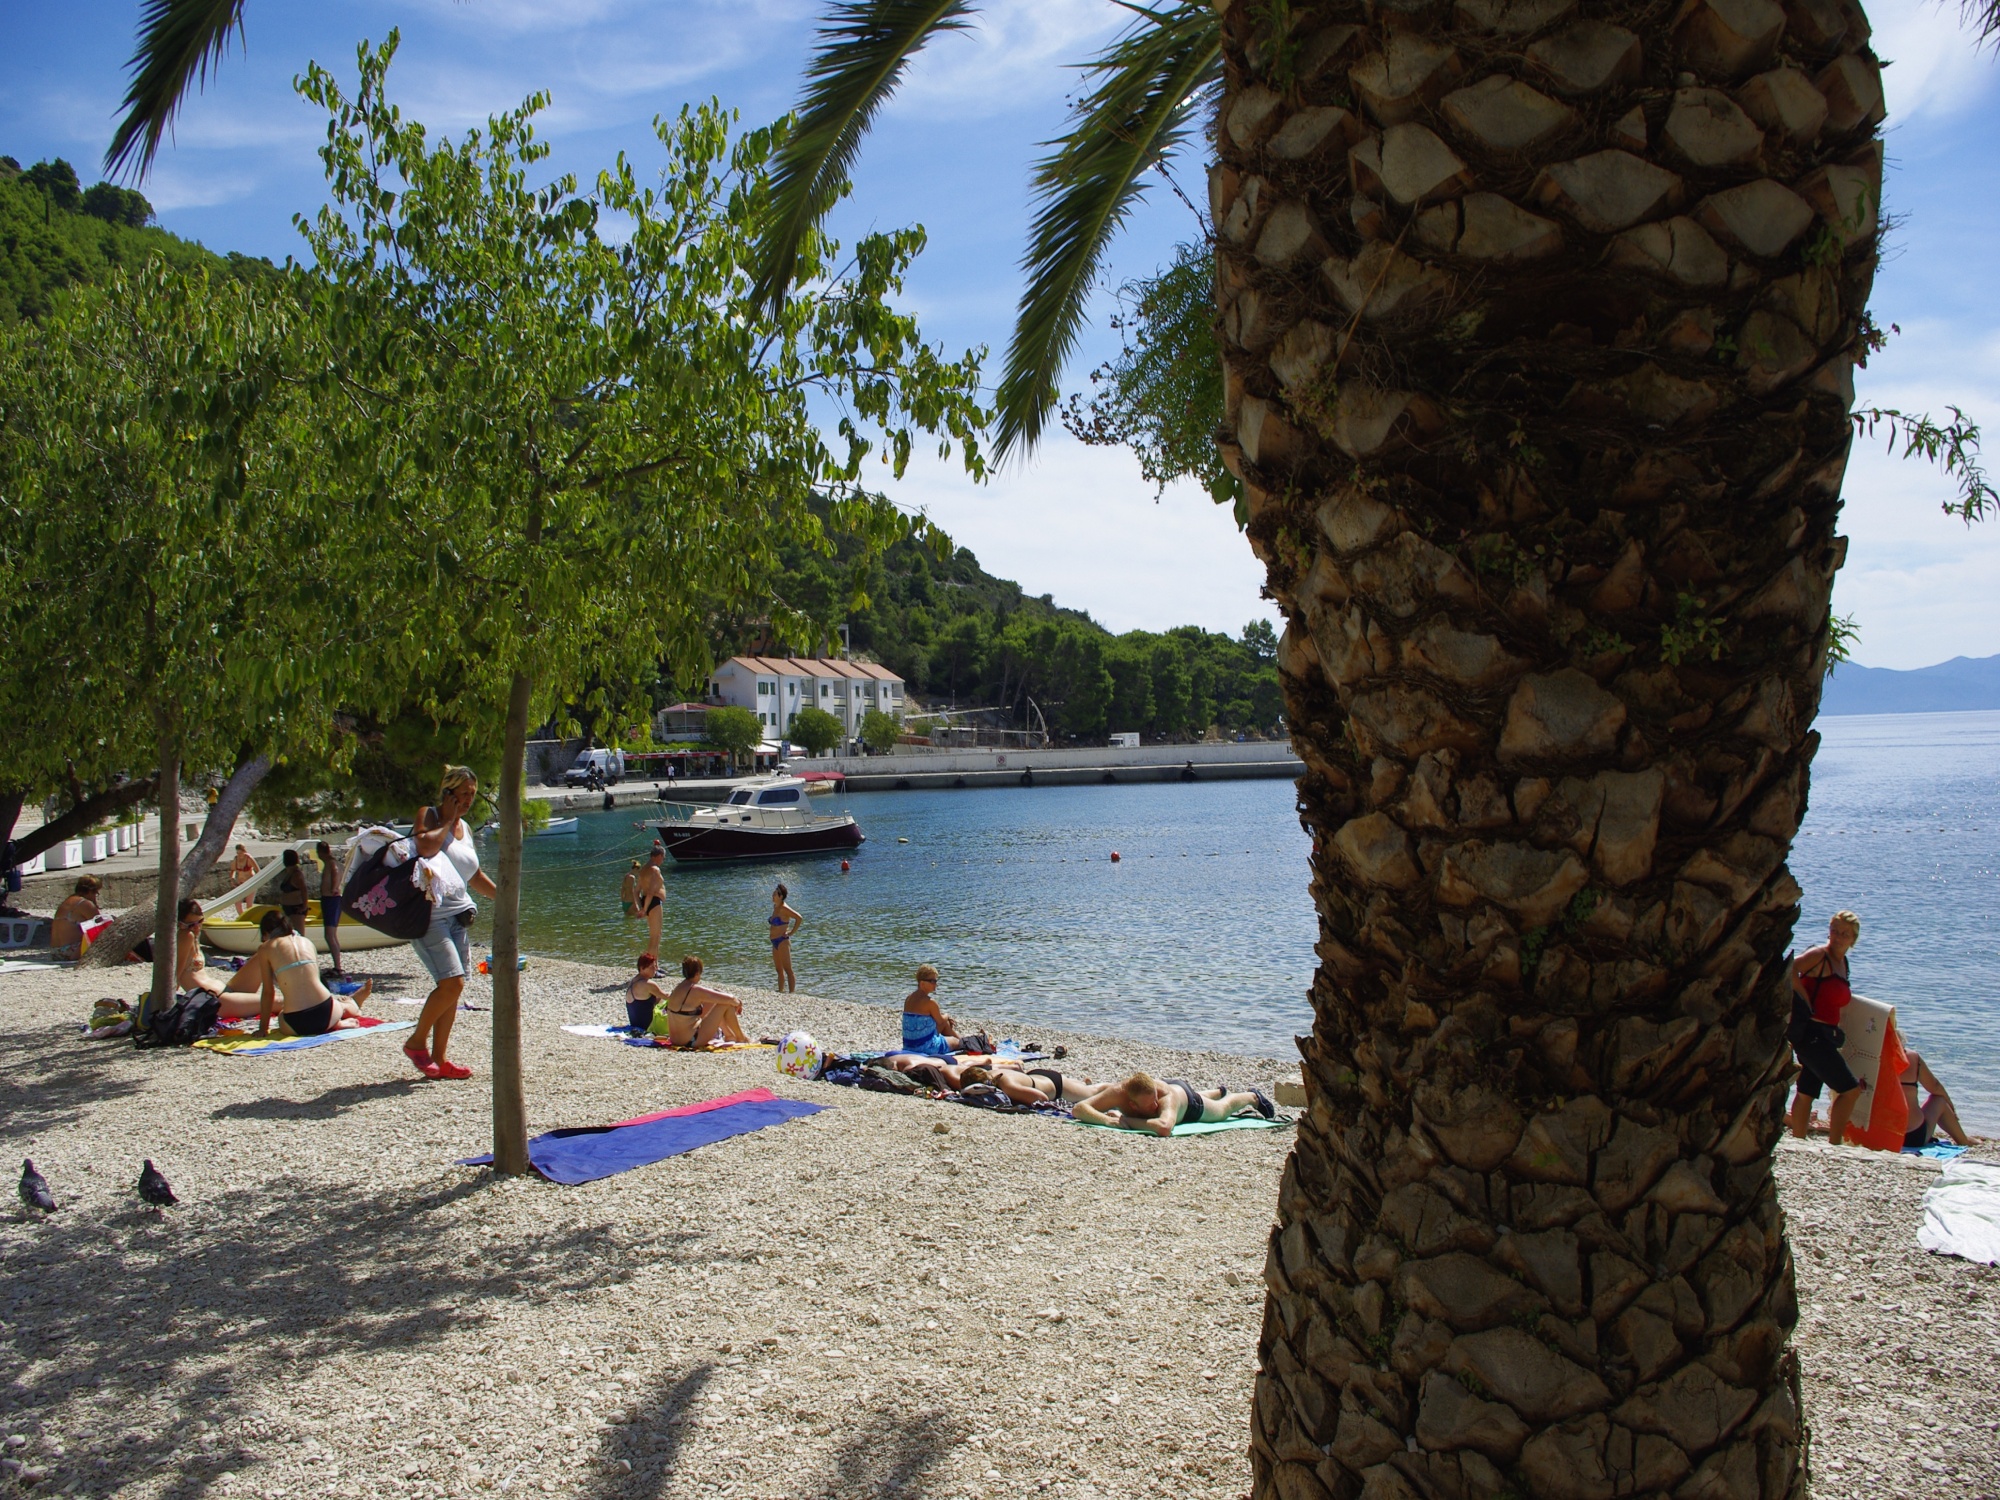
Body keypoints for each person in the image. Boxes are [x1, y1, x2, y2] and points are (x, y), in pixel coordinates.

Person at [405, 766, 497, 1081]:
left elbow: (474, 877)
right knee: (452, 983)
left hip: (459, 917)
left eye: (472, 794)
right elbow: (425, 847)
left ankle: (440, 1058)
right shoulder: (430, 816)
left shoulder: (465, 829)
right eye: (463, 794)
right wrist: (447, 818)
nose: (469, 800)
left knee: (453, 990)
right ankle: (417, 1042)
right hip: (430, 915)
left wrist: (505, 897)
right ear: (448, 793)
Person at [1787, 911, 1867, 1145]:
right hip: (1811, 1033)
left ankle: (1799, 1142)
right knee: (1850, 1090)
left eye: (1844, 934)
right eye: (1834, 931)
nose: (1838, 937)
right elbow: (1790, 967)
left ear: (1853, 939)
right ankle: (1835, 1143)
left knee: (1806, 1092)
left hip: (1826, 1035)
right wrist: (1802, 995)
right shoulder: (1819, 955)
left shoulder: (1843, 963)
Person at [251, 911, 372, 1037]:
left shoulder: (265, 948)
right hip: (327, 1012)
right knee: (335, 1004)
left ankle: (339, 1018)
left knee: (282, 1016)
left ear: (266, 933)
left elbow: (268, 992)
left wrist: (263, 1029)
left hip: (296, 1024)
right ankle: (346, 1010)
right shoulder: (306, 942)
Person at [1071, 1072, 1274, 1136]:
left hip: (1186, 1101)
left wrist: (1124, 1120)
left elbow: (1164, 1127)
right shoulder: (1120, 1092)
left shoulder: (1165, 1097)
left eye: (1155, 1099)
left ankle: (1252, 1096)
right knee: (1205, 1097)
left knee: (1222, 1110)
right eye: (1150, 1104)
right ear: (1131, 1103)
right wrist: (1107, 1120)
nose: (1155, 1105)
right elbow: (1079, 1108)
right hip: (1174, 1093)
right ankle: (1215, 1091)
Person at [654, 955, 748, 1047]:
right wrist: (738, 1003)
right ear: (698, 973)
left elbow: (713, 995)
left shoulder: (679, 988)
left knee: (714, 1002)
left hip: (675, 1040)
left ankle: (729, 1035)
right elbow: (731, 999)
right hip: (691, 1040)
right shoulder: (695, 990)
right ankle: (741, 1037)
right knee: (726, 1004)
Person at [899, 964, 987, 1057]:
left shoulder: (909, 998)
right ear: (922, 984)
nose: (936, 984)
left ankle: (966, 1041)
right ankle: (970, 1043)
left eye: (936, 981)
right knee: (954, 1041)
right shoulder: (930, 1002)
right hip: (926, 1047)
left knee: (945, 1024)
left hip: (909, 1045)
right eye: (932, 981)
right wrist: (947, 1016)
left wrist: (945, 1019)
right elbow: (940, 1020)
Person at [1900, 1047, 1974, 1149]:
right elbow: (1935, 1086)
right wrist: (1951, 1106)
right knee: (1939, 1100)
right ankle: (1964, 1141)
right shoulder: (1911, 1057)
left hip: (1879, 1134)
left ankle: (1964, 1139)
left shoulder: (1872, 1059)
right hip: (1911, 1137)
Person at [174, 898, 230, 997]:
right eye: (191, 925)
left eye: (200, 921)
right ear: (180, 924)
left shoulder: (193, 936)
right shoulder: (186, 936)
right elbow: (176, 972)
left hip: (216, 990)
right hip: (212, 998)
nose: (197, 927)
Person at [50, 876, 102, 959]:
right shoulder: (85, 904)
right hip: (72, 951)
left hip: (55, 952)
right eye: (96, 893)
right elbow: (101, 926)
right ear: (90, 891)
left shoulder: (68, 901)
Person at [316, 840, 345, 976]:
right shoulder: (334, 862)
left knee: (330, 934)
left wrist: (334, 887)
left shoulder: (331, 863)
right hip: (330, 899)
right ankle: (337, 965)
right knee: (330, 934)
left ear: (320, 852)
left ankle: (338, 966)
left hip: (331, 899)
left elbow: (335, 872)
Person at [768, 882, 803, 993]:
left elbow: (799, 918)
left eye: (774, 894)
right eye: (773, 894)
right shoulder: (775, 907)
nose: (772, 896)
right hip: (774, 942)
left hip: (782, 941)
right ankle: (781, 991)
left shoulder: (784, 908)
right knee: (778, 970)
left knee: (788, 969)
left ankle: (792, 993)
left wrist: (791, 933)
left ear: (780, 896)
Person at [624, 952, 671, 1032]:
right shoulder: (648, 984)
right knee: (671, 999)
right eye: (652, 967)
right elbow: (667, 996)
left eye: (655, 966)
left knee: (661, 998)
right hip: (647, 1026)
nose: (655, 969)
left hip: (635, 1023)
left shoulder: (633, 981)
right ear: (642, 968)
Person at [635, 847, 667, 957]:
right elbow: (651, 892)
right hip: (653, 902)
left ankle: (655, 965)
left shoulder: (643, 869)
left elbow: (636, 891)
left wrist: (641, 907)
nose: (663, 860)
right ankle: (651, 965)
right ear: (658, 856)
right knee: (655, 936)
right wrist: (644, 909)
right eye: (663, 857)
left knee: (655, 935)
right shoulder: (655, 869)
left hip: (647, 902)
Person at [276, 848, 311, 937]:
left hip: (296, 908)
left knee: (299, 935)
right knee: (289, 934)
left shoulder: (297, 874)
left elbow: (304, 890)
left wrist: (304, 906)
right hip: (288, 907)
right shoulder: (289, 873)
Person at [229, 844, 260, 916]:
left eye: (240, 853)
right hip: (241, 883)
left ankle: (250, 917)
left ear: (244, 851)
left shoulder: (249, 858)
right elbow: (232, 871)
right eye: (238, 853)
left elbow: (258, 870)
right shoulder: (236, 859)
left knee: (249, 904)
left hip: (250, 882)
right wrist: (232, 879)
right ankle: (241, 916)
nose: (239, 855)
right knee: (237, 902)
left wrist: (256, 881)